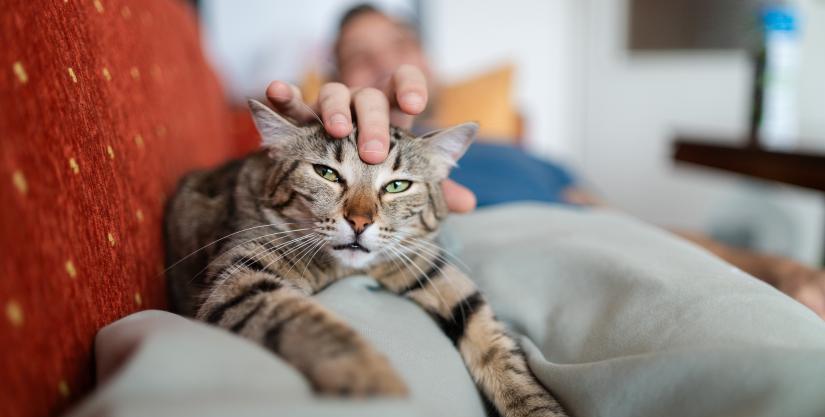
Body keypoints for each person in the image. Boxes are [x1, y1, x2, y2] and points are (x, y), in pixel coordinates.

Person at [261, 4, 825, 319]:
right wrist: (315, 146)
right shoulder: (317, 157)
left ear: (428, 62)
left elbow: (619, 222)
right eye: (361, 57)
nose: (385, 63)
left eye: (400, 46)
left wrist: (775, 268)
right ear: (337, 77)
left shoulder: (530, 156)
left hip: (613, 247)